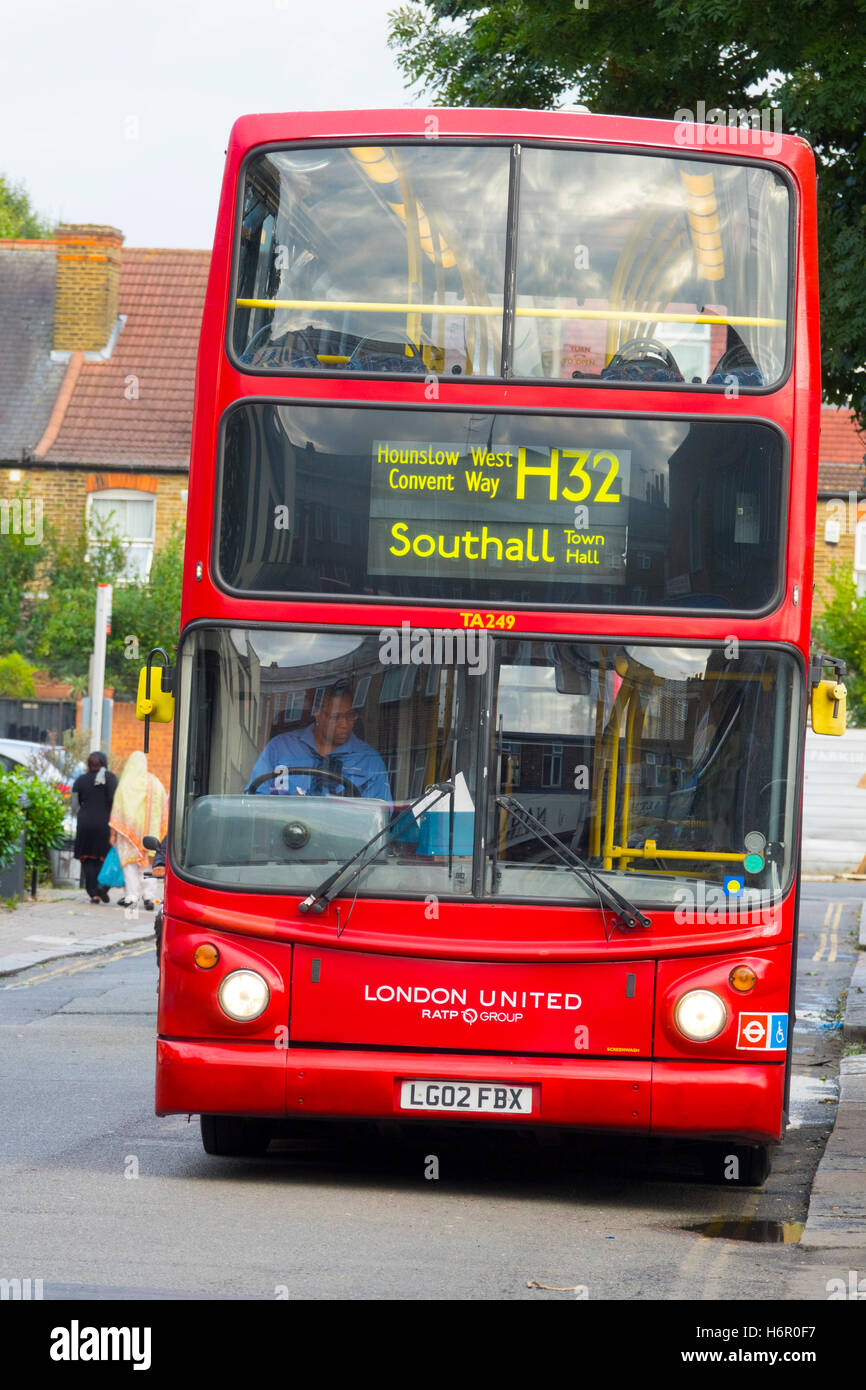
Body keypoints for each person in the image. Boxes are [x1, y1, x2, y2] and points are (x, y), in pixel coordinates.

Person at [247, 682, 391, 803]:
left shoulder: (370, 762)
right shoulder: (280, 749)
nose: (344, 724)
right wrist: (287, 808)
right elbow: (254, 801)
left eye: (350, 716)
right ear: (317, 713)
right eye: (335, 717)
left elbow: (379, 816)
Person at [109, 750, 168, 911]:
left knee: (129, 866)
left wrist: (113, 834)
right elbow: (164, 804)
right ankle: (149, 896)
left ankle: (132, 896)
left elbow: (117, 810)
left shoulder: (125, 784)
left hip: (127, 835)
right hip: (150, 833)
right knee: (147, 866)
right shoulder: (154, 783)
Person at [71, 751, 118, 903]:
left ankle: (93, 893)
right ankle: (101, 887)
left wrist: (83, 813)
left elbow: (74, 805)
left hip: (85, 824)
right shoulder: (110, 779)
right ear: (104, 763)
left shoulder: (80, 780)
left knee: (87, 859)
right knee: (103, 858)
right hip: (104, 824)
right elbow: (115, 802)